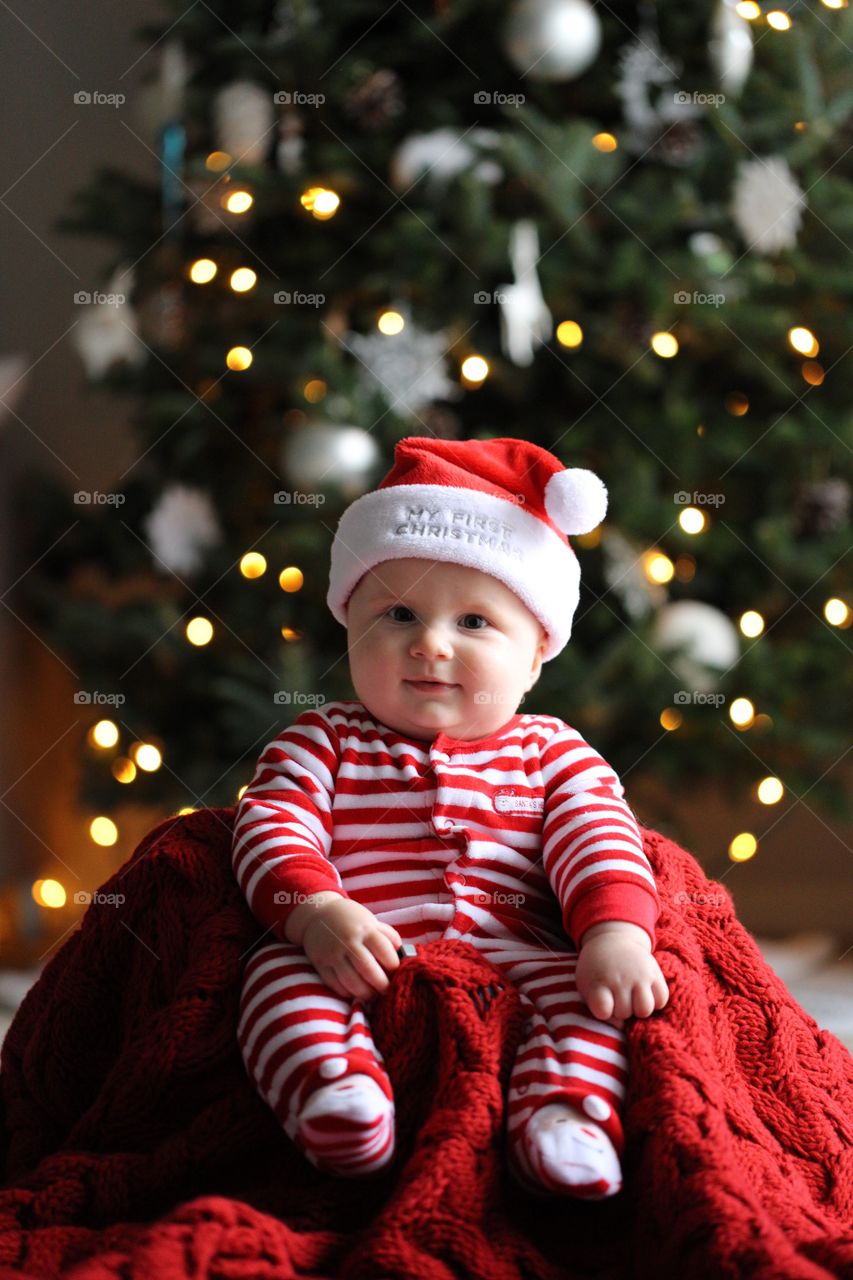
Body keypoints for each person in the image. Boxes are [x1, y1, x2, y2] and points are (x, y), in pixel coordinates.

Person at [232, 436, 669, 1199]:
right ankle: (334, 1091)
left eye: (473, 623)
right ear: (350, 626)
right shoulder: (326, 740)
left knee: (591, 997)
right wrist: (316, 913)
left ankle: (565, 1113)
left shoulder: (549, 751)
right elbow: (271, 824)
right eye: (397, 612)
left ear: (535, 656)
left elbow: (599, 838)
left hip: (514, 959)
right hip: (367, 956)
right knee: (272, 974)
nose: (429, 643)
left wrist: (613, 934)